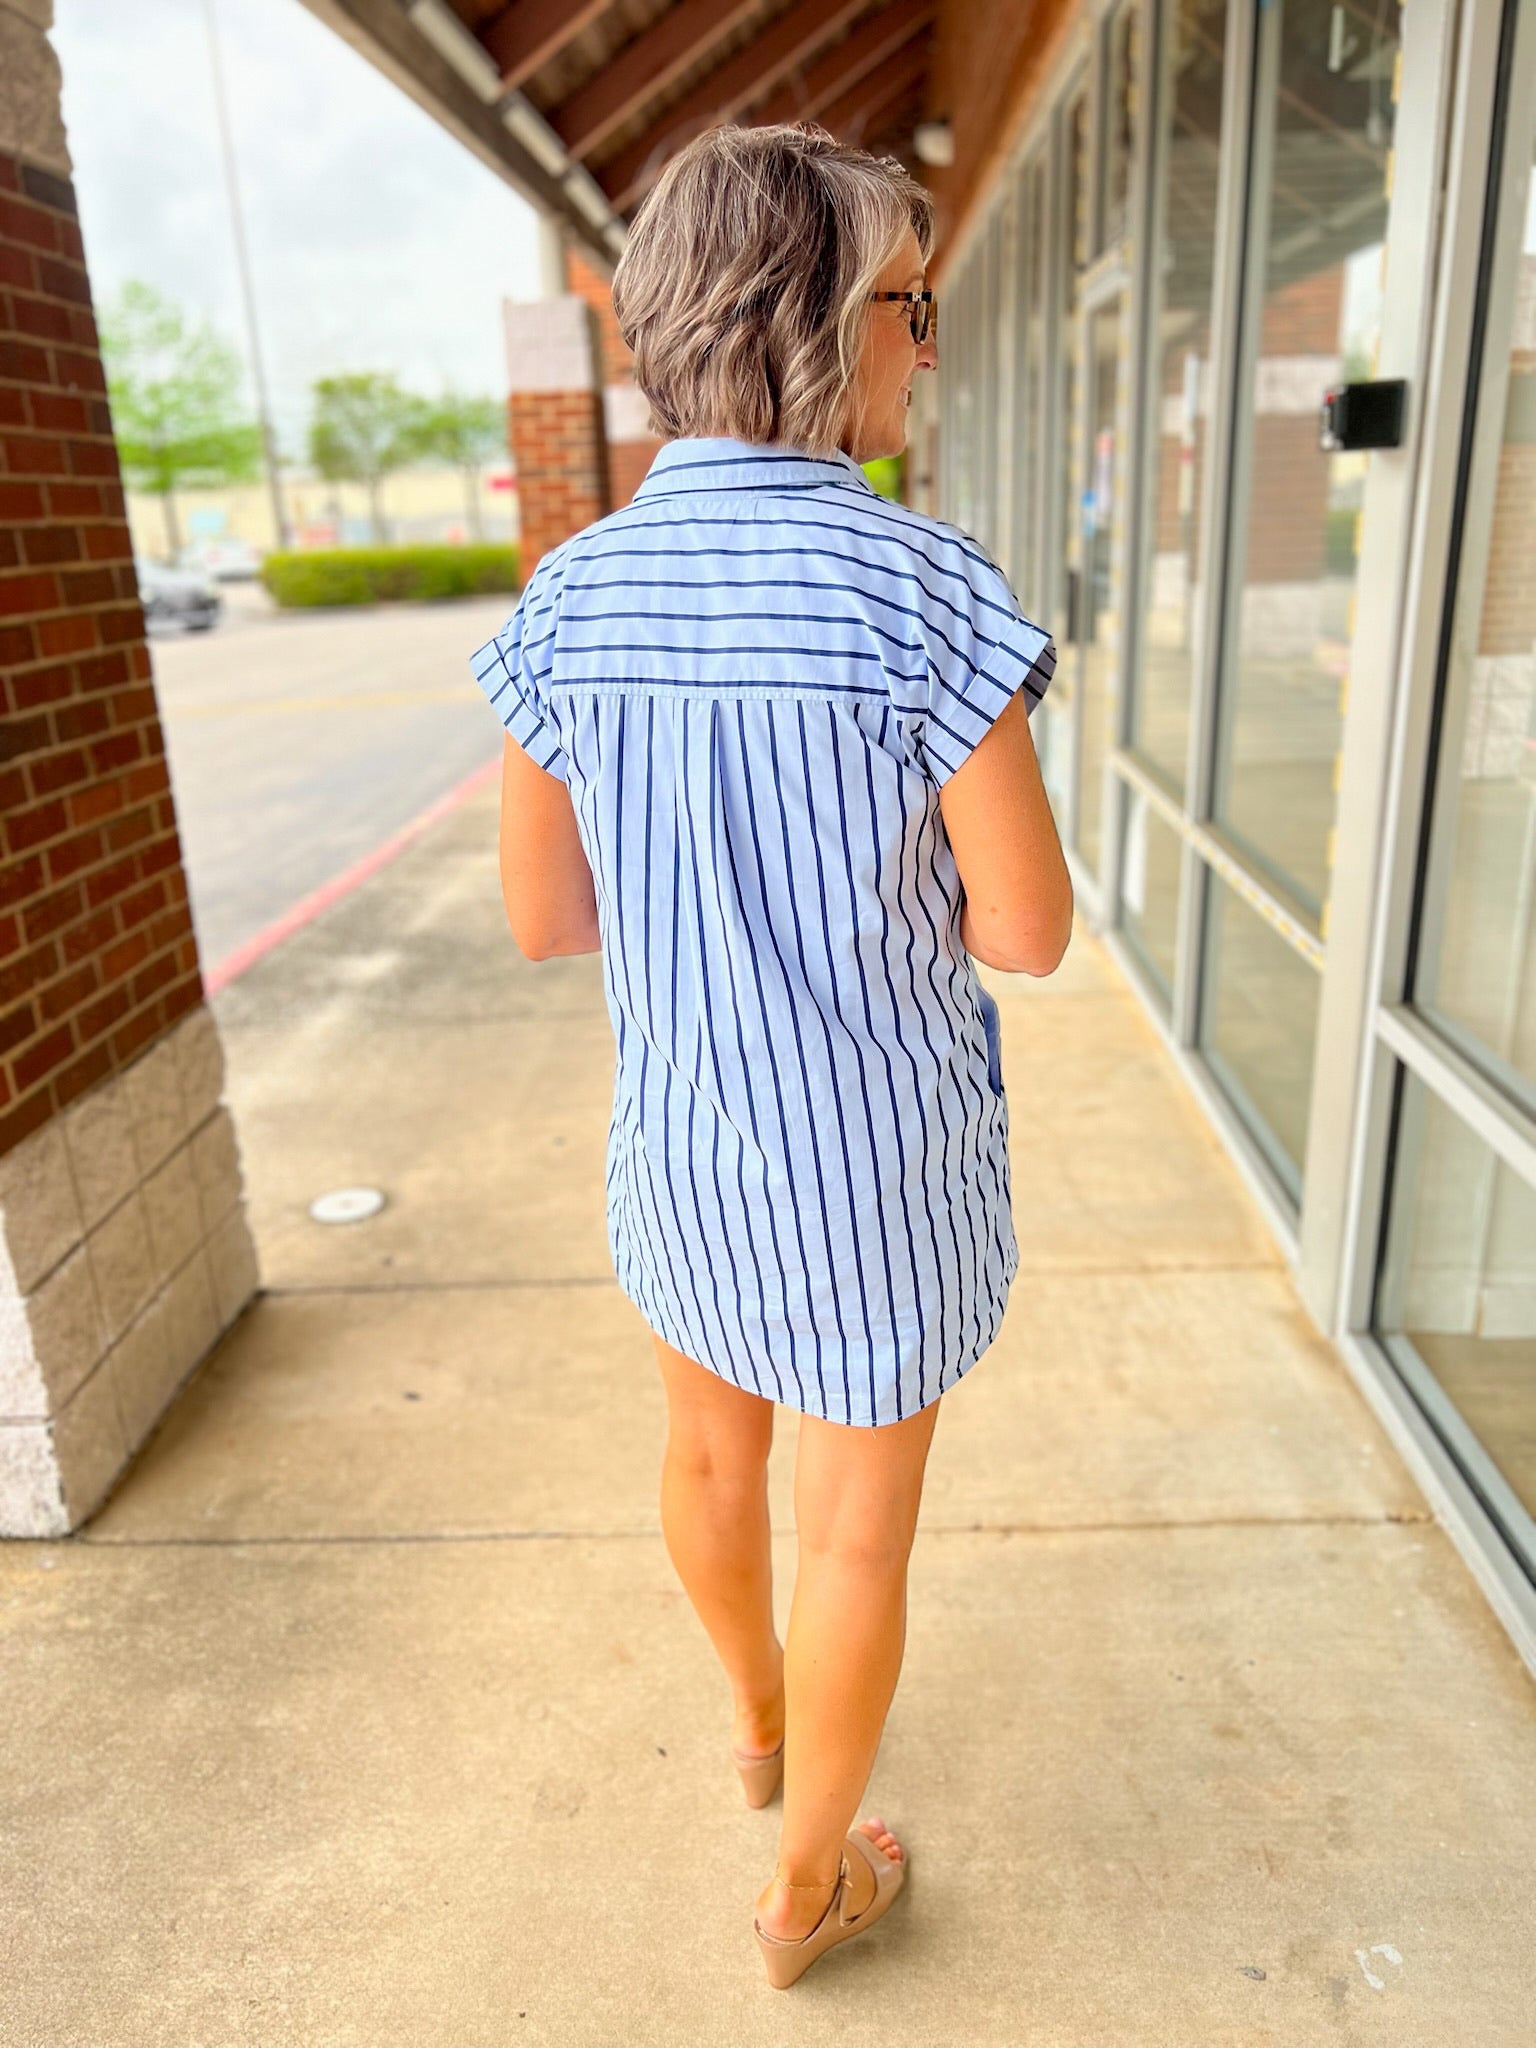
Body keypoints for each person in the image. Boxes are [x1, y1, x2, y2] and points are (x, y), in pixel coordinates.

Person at [471, 121, 1072, 1990]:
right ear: (823, 324)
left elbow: (547, 920)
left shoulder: (572, 596)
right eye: (915, 305)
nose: (927, 345)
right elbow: (1030, 930)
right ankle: (809, 1883)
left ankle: (751, 1727)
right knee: (860, 1539)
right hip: (876, 1159)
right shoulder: (925, 591)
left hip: (687, 1143)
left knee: (710, 1459)